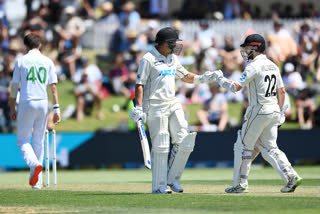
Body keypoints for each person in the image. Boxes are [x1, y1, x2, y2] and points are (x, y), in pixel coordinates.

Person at [129, 27, 221, 194]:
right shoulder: (148, 59)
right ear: (161, 44)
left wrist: (205, 78)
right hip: (155, 105)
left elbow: (185, 76)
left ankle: (173, 180)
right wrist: (139, 107)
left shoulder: (172, 58)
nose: (174, 47)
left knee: (184, 140)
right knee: (161, 144)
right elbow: (139, 84)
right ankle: (159, 186)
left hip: (172, 102)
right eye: (171, 43)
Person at [217, 34, 302, 193]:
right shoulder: (273, 65)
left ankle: (240, 185)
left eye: (248, 47)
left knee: (242, 146)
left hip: (258, 110)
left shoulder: (253, 66)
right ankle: (291, 176)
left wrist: (219, 79)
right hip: (274, 109)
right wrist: (279, 111)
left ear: (255, 48)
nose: (245, 51)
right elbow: (282, 91)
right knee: (270, 148)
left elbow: (236, 87)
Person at [9, 33, 61, 189]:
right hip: (43, 103)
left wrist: (12, 107)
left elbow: (13, 87)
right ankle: (36, 181)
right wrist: (57, 109)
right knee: (38, 139)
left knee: (23, 140)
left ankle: (35, 164)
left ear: (26, 46)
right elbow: (53, 87)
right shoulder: (47, 61)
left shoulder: (21, 61)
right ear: (40, 45)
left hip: (26, 101)